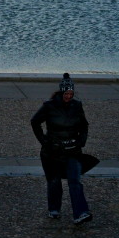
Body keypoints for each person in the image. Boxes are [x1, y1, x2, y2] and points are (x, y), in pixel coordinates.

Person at [31, 72, 98, 225]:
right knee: (54, 181)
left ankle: (81, 212)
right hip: (52, 151)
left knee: (75, 181)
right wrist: (44, 141)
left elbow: (84, 125)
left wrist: (82, 141)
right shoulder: (49, 106)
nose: (69, 96)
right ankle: (54, 209)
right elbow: (35, 122)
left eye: (71, 93)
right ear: (61, 92)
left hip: (73, 150)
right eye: (66, 93)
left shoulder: (77, 105)